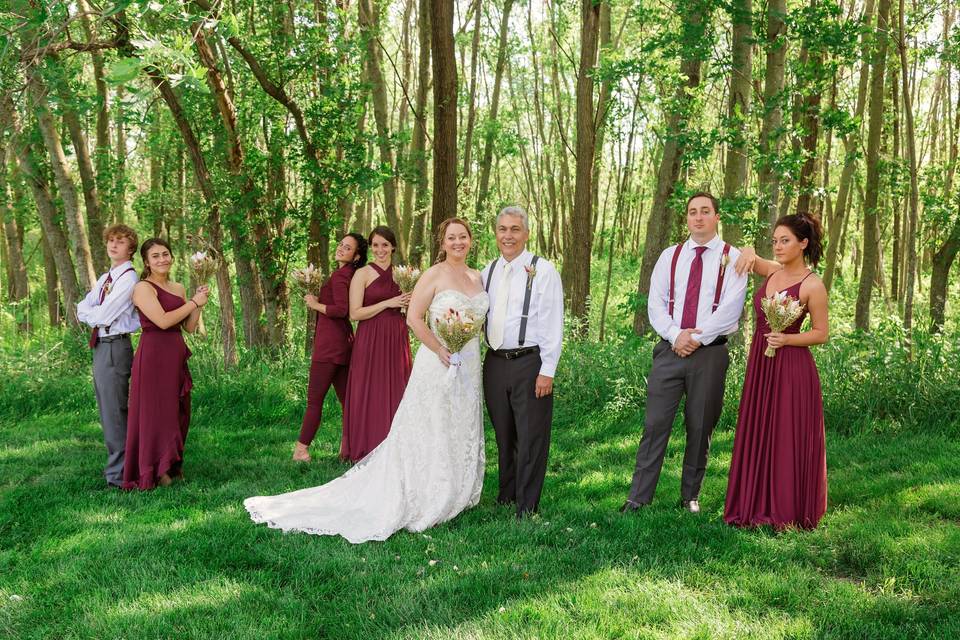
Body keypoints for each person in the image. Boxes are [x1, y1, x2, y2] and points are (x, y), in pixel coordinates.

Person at [245, 218, 488, 543]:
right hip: (439, 360)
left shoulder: (477, 277)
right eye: (451, 238)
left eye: (463, 237)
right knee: (432, 423)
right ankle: (430, 490)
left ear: (471, 240)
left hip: (469, 363)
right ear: (442, 243)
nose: (457, 242)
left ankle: (460, 488)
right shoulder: (434, 274)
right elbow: (415, 318)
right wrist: (441, 350)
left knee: (461, 423)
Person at [621, 192, 748, 514]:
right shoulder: (670, 256)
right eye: (693, 212)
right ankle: (638, 496)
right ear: (687, 218)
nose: (699, 217)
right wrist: (677, 335)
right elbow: (656, 304)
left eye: (706, 211)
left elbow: (731, 310)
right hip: (669, 350)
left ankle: (690, 495)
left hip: (710, 354)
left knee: (700, 424)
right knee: (655, 424)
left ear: (717, 217)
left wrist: (697, 339)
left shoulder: (734, 257)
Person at [724, 213, 829, 529]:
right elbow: (750, 259)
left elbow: (822, 333)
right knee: (761, 427)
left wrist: (788, 338)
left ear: (803, 243)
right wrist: (746, 249)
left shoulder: (813, 285)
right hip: (762, 363)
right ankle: (753, 500)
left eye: (785, 240)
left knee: (785, 432)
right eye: (775, 241)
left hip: (793, 366)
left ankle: (785, 507)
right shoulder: (774, 272)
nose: (779, 246)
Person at [481, 205, 564, 519]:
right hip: (495, 362)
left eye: (515, 229)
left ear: (526, 234)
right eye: (503, 229)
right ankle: (507, 494)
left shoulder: (543, 270)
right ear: (496, 233)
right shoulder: (487, 271)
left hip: (530, 361)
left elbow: (553, 321)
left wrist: (548, 369)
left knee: (531, 435)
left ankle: (527, 505)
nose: (508, 236)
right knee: (504, 433)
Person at [122, 238, 208, 490]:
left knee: (178, 412)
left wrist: (198, 302)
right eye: (156, 256)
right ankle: (155, 471)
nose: (162, 259)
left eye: (166, 254)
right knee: (155, 415)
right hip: (153, 357)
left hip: (175, 355)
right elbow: (161, 321)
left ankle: (172, 464)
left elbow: (189, 328)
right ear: (147, 262)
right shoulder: (142, 288)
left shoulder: (179, 287)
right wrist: (193, 303)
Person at [339, 226, 412, 462]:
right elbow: (354, 313)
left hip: (396, 337)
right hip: (370, 337)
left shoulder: (402, 274)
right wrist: (388, 302)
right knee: (368, 388)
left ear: (393, 246)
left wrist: (406, 304)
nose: (380, 250)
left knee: (396, 387)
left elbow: (411, 309)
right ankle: (365, 445)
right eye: (375, 245)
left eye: (385, 245)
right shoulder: (363, 274)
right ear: (370, 248)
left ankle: (395, 446)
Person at [294, 233, 368, 462]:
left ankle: (301, 450)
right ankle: (351, 448)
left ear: (356, 256)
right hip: (343, 345)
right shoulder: (348, 275)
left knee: (314, 400)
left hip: (329, 347)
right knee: (348, 401)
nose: (340, 249)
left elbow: (341, 310)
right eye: (340, 245)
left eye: (347, 248)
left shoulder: (340, 276)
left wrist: (316, 304)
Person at [77, 224, 141, 488]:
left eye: (121, 241)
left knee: (115, 411)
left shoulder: (128, 279)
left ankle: (120, 474)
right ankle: (120, 468)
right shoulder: (107, 278)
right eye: (111, 240)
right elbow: (82, 307)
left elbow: (102, 316)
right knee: (107, 410)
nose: (114, 245)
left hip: (115, 346)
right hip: (102, 346)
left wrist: (94, 316)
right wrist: (94, 316)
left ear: (131, 248)